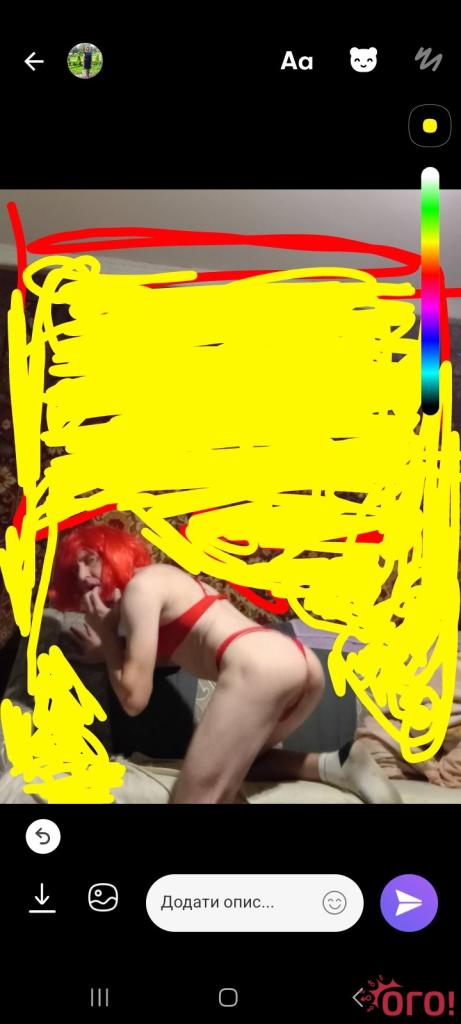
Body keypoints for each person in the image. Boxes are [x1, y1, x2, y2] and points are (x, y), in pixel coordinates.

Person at [48, 524, 402, 804]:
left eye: (90, 559)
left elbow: (134, 699)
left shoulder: (141, 588)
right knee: (249, 764)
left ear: (114, 552)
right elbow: (164, 659)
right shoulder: (159, 587)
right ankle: (339, 764)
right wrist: (107, 650)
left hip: (261, 664)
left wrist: (109, 639)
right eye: (73, 568)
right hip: (297, 663)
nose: (82, 574)